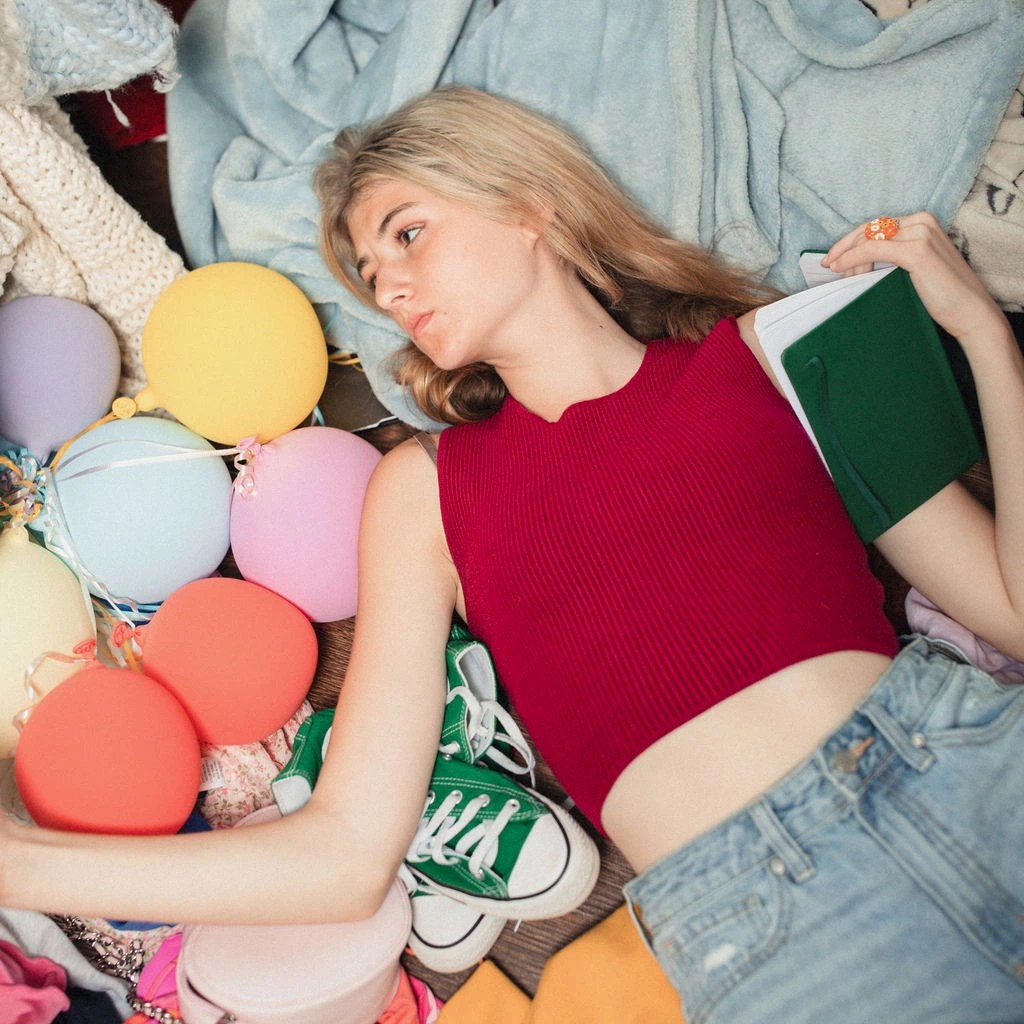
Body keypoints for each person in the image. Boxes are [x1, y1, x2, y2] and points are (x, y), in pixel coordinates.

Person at [4, 84, 1024, 1021]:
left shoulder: (772, 348)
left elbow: (1008, 609)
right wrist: (24, 867)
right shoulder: (427, 493)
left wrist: (981, 333)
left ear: (529, 203)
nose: (387, 284)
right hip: (766, 904)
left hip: (965, 756)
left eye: (407, 234)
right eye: (368, 271)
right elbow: (346, 853)